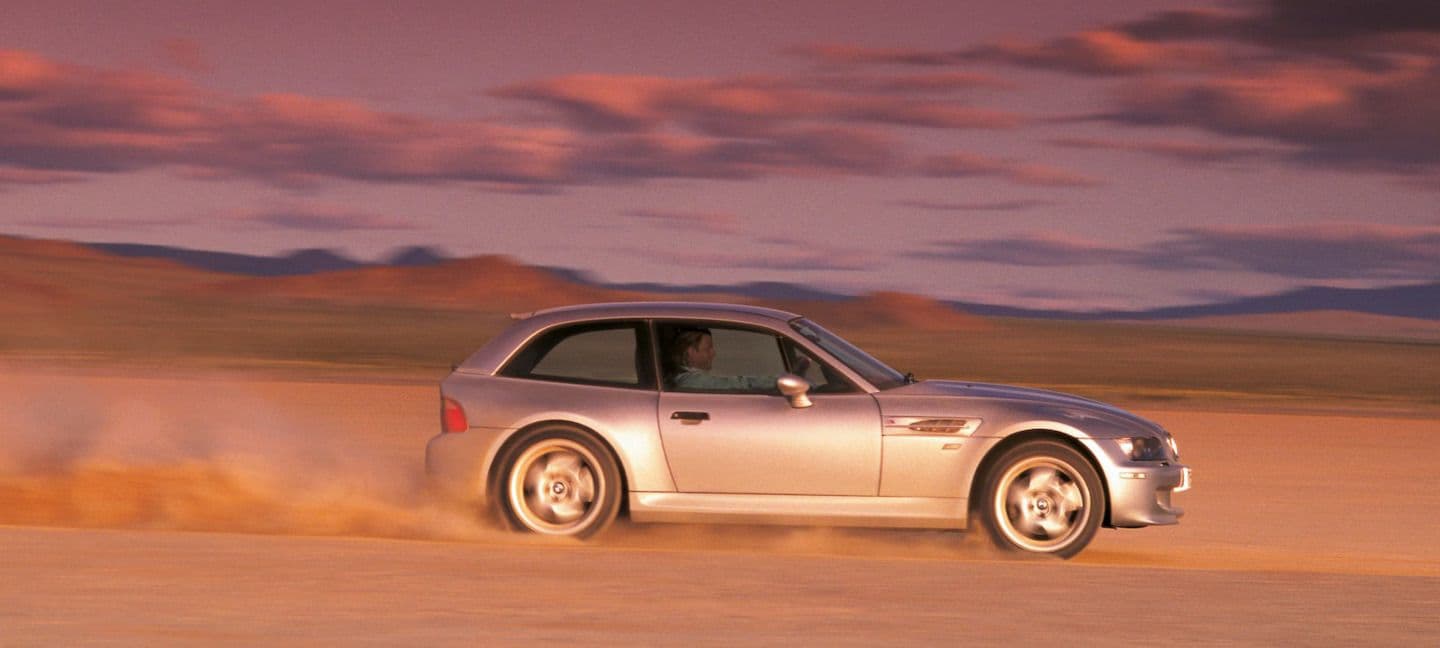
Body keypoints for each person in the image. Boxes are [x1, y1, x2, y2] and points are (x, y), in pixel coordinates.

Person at [667, 327, 808, 392]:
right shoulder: (692, 382)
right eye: (708, 348)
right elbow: (737, 384)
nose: (713, 353)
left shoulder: (686, 379)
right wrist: (778, 381)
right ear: (691, 351)